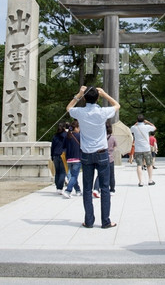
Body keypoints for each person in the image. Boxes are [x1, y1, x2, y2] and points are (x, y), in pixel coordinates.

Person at [66, 86, 120, 229]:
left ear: (85, 98)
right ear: (97, 98)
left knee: (88, 189)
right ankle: (106, 221)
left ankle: (89, 221)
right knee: (105, 188)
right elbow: (117, 105)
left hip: (86, 154)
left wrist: (78, 93)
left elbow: (69, 107)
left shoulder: (80, 112)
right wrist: (105, 94)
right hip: (102, 153)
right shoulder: (102, 112)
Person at [130, 115, 156, 187]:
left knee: (139, 165)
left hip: (138, 149)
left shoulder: (134, 127)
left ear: (137, 120)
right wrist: (148, 122)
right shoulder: (146, 127)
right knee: (149, 164)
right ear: (144, 120)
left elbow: (130, 129)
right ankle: (150, 180)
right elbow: (154, 128)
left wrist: (136, 123)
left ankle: (140, 182)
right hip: (146, 148)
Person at [62, 121, 82, 198]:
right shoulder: (79, 136)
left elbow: (63, 146)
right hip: (77, 158)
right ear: (76, 128)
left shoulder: (67, 136)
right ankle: (68, 190)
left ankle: (78, 190)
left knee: (73, 176)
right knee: (74, 176)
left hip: (69, 159)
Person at [51, 123, 67, 193]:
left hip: (55, 155)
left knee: (57, 172)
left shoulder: (55, 136)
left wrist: (51, 155)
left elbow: (52, 147)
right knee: (63, 172)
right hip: (63, 154)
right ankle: (60, 187)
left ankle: (58, 186)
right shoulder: (66, 135)